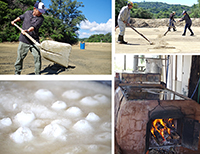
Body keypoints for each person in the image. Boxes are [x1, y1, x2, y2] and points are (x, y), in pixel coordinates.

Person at [11, 2, 46, 75]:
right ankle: (17, 74)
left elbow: (33, 27)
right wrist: (14, 21)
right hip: (24, 40)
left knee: (37, 58)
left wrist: (27, 31)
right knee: (19, 58)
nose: (41, 13)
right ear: (34, 9)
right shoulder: (27, 13)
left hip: (34, 41)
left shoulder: (41, 18)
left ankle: (37, 75)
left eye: (42, 12)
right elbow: (21, 17)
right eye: (40, 11)